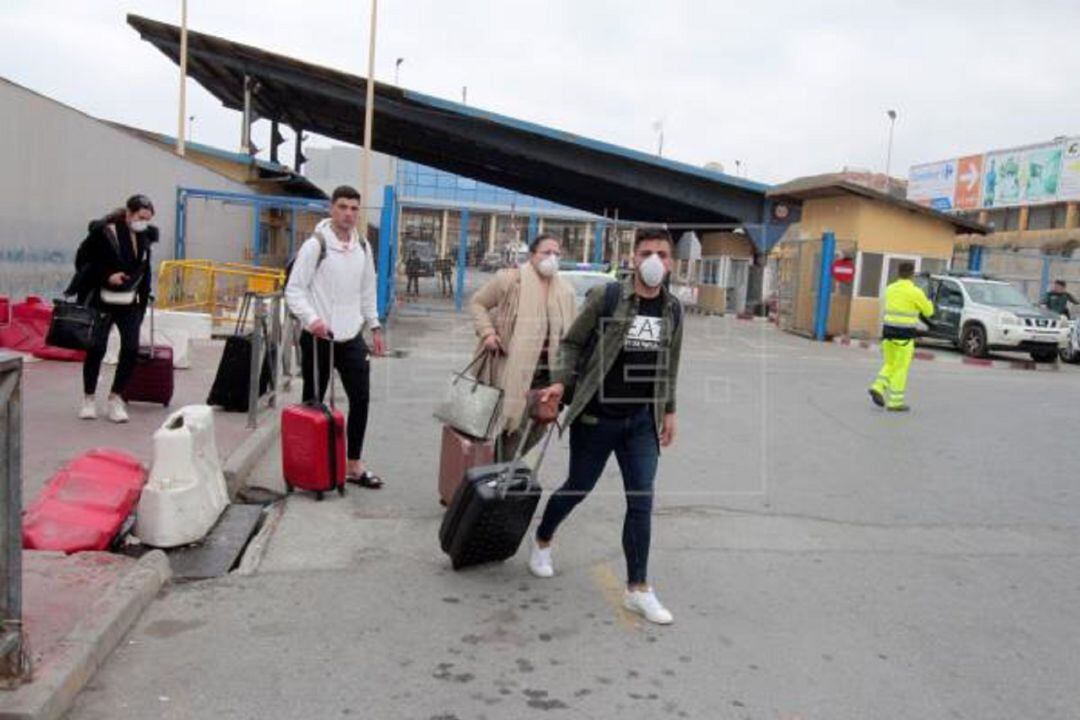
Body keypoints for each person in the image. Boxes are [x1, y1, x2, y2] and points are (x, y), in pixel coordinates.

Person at [529, 228, 684, 626]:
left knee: (641, 501)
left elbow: (670, 364)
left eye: (662, 254)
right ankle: (543, 538)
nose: (654, 261)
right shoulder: (608, 297)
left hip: (641, 422)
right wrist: (561, 381)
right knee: (578, 487)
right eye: (646, 253)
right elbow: (571, 343)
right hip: (596, 416)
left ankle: (638, 589)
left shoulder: (673, 309)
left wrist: (669, 410)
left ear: (672, 262)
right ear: (633, 258)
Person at [285, 185, 387, 488]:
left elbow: (367, 291)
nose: (348, 214)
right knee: (313, 404)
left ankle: (354, 465)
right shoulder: (316, 245)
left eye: (354, 208)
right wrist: (312, 320)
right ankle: (309, 468)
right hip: (319, 337)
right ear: (331, 208)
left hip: (351, 336)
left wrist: (375, 326)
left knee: (361, 399)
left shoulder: (363, 247)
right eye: (342, 207)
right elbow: (294, 290)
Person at [468, 233, 576, 461]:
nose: (552, 258)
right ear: (532, 255)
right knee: (512, 428)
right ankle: (498, 471)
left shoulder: (565, 291)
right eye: (547, 252)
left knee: (538, 428)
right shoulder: (510, 281)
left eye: (557, 254)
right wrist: (488, 333)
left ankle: (502, 468)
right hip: (510, 370)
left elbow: (571, 335)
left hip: (546, 377)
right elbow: (478, 303)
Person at [71, 194, 157, 422]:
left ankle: (115, 397)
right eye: (140, 217)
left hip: (130, 302)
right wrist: (107, 276)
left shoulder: (145, 237)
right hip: (102, 299)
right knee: (96, 348)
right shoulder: (104, 232)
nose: (143, 223)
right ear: (129, 213)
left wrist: (143, 298)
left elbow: (145, 270)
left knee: (130, 348)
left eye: (147, 219)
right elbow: (83, 261)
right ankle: (89, 398)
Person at [869, 262, 934, 412]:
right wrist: (929, 299)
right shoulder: (915, 292)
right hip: (904, 337)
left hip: (888, 335)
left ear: (898, 273)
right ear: (912, 275)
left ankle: (877, 387)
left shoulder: (889, 289)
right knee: (901, 368)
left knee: (890, 364)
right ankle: (895, 402)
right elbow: (929, 312)